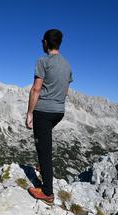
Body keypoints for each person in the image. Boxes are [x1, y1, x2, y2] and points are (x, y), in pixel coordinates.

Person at [25, 29, 73, 205]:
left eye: (42, 41)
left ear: (45, 42)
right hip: (59, 111)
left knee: (43, 150)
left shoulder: (43, 61)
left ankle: (47, 192)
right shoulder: (67, 65)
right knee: (45, 141)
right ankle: (43, 169)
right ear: (59, 43)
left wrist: (30, 112)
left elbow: (36, 89)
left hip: (43, 111)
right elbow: (66, 90)